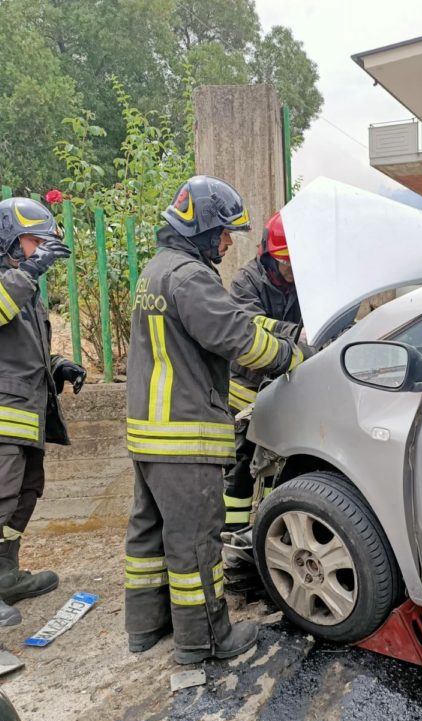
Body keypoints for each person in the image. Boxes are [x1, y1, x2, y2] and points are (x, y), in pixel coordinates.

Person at [124, 176, 308, 664]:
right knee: (195, 542)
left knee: (149, 533)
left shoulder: (156, 272)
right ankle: (204, 639)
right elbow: (237, 337)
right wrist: (291, 357)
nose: (228, 242)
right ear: (203, 228)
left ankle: (145, 625)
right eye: (224, 231)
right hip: (185, 433)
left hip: (149, 432)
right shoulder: (190, 278)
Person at [0, 197, 85, 627]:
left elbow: (18, 343)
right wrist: (28, 271)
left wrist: (58, 363)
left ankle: (4, 575)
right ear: (8, 236)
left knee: (25, 495)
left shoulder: (16, 279)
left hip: (24, 412)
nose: (39, 250)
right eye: (33, 241)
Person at [223, 210, 302, 531]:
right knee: (241, 465)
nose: (292, 272)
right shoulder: (246, 281)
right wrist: (297, 333)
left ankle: (270, 530)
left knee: (281, 462)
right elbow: (247, 325)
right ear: (269, 257)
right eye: (286, 264)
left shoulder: (302, 282)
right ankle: (234, 534)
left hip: (286, 390)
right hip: (245, 390)